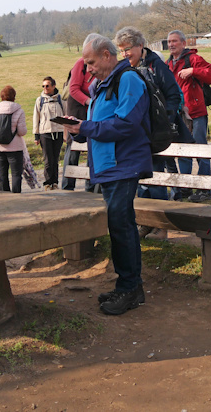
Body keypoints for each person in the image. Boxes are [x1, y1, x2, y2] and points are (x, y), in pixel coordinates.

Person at [66, 34, 153, 314]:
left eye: (90, 62)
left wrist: (86, 128)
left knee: (122, 226)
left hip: (122, 165)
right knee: (118, 226)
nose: (87, 68)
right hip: (108, 167)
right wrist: (80, 128)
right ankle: (125, 285)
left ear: (106, 55)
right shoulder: (103, 84)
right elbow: (101, 124)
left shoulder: (128, 79)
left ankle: (131, 289)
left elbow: (126, 124)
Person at [115, 26, 182, 238]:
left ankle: (162, 226)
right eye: (121, 50)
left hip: (153, 134)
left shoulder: (157, 66)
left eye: (128, 49)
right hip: (134, 134)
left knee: (155, 177)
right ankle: (145, 223)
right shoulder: (125, 70)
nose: (125, 54)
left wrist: (164, 120)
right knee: (139, 180)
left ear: (140, 46)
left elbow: (174, 95)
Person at [166, 29, 211, 202]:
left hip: (196, 113)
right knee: (183, 151)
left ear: (184, 43)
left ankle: (205, 189)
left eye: (175, 41)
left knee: (200, 150)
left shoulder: (194, 59)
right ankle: (186, 187)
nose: (171, 45)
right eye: (169, 42)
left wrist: (193, 71)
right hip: (178, 115)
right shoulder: (168, 63)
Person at [60, 56, 96, 191]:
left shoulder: (99, 64)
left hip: (91, 110)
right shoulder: (81, 63)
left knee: (92, 146)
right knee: (73, 148)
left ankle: (91, 187)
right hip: (77, 108)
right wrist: (90, 102)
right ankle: (67, 187)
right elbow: (73, 89)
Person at [0, 85, 27, 193]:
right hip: (14, 147)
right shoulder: (19, 110)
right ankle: (16, 196)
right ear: (14, 96)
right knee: (16, 174)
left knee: (2, 175)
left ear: (1, 96)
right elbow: (22, 131)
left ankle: (4, 197)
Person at [32, 77, 65, 190]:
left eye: (47, 86)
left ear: (53, 86)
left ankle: (54, 182)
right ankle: (47, 182)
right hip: (45, 133)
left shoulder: (61, 100)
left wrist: (66, 133)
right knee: (48, 160)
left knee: (55, 159)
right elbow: (36, 118)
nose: (45, 88)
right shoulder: (39, 100)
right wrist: (36, 135)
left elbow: (66, 117)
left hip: (58, 132)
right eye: (43, 86)